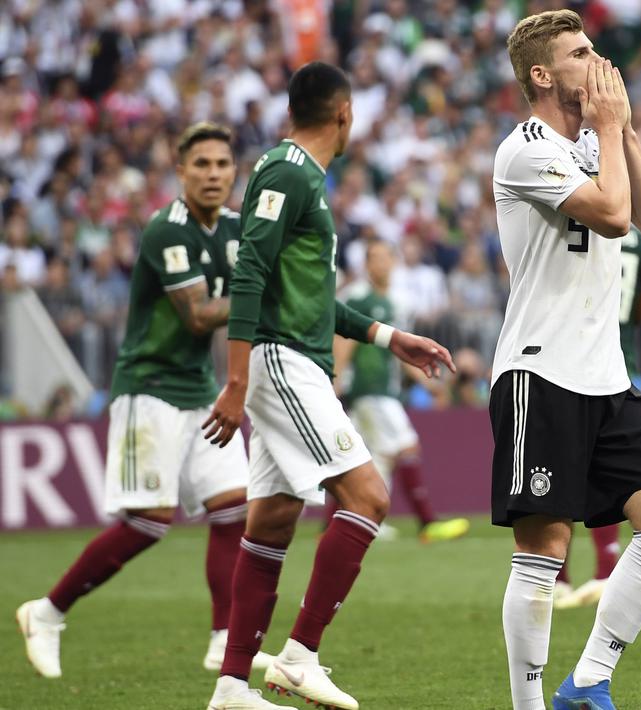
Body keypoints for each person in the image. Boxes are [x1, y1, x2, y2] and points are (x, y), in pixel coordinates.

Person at [200, 63, 454, 710]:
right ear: (343, 113)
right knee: (367, 497)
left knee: (275, 518)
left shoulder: (298, 174)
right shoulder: (287, 172)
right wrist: (234, 380)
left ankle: (232, 687)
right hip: (282, 361)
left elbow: (311, 299)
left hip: (292, 353)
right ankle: (299, 656)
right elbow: (250, 273)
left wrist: (387, 337)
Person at [16, 123, 276, 679]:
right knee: (148, 522)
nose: (213, 175)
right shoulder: (167, 229)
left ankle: (224, 637)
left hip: (200, 390)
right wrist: (260, 291)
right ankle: (47, 611)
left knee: (234, 509)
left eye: (222, 165)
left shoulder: (237, 227)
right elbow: (199, 314)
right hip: (148, 389)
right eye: (201, 164)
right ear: (180, 172)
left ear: (235, 173)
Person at [491, 11, 641, 710]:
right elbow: (610, 214)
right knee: (543, 554)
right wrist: (608, 130)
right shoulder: (526, 148)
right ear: (543, 75)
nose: (597, 61)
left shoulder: (596, 144)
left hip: (606, 373)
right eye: (580, 53)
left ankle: (590, 680)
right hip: (539, 372)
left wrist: (624, 130)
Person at [330, 239, 470, 543]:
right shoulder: (359, 297)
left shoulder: (395, 301)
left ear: (393, 262)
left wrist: (427, 384)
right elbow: (344, 341)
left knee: (373, 458)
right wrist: (336, 380)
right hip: (367, 387)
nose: (380, 264)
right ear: (366, 264)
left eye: (384, 257)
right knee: (406, 447)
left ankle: (357, 521)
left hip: (386, 387)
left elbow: (397, 350)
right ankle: (427, 522)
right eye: (374, 258)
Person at [554, 227, 641, 610]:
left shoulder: (586, 219)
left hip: (577, 359)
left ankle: (559, 579)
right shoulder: (639, 239)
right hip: (622, 362)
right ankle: (605, 571)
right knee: (607, 472)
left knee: (560, 470)